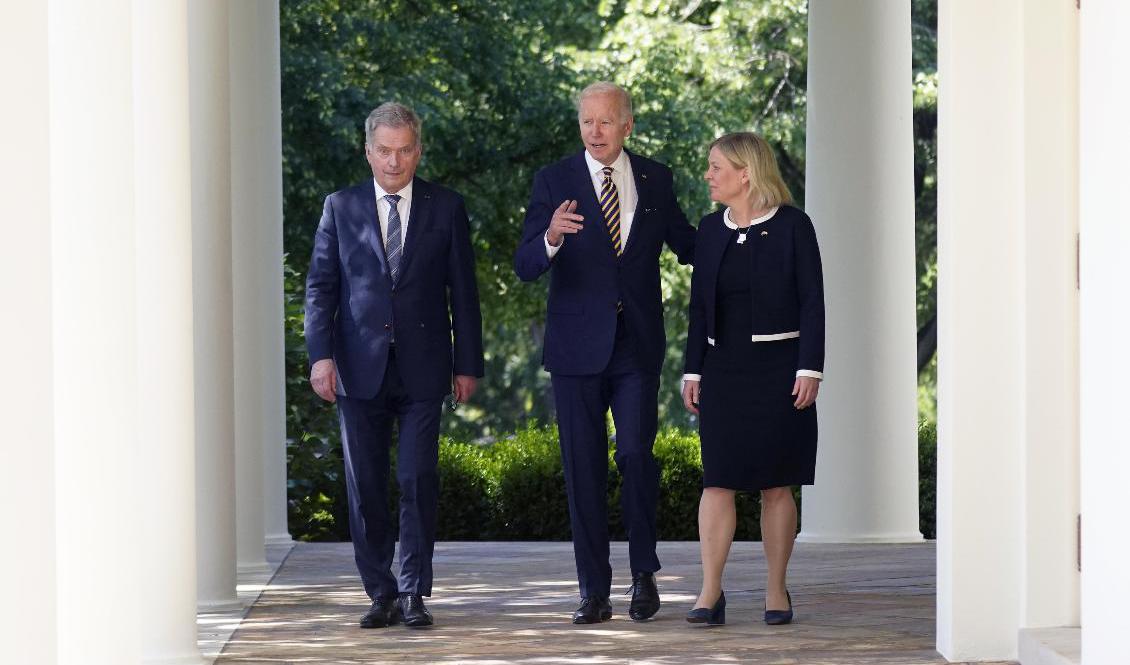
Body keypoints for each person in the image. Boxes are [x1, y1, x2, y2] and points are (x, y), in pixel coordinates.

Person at [514, 81, 696, 624]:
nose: (595, 131)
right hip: (575, 351)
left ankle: (644, 576)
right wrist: (549, 235)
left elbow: (687, 243)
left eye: (606, 121)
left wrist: (746, 228)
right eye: (587, 121)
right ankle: (594, 590)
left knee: (637, 455)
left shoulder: (656, 178)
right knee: (583, 468)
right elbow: (526, 265)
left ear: (628, 125)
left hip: (636, 346)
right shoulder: (554, 181)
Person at [304, 102, 484, 629]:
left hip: (426, 367)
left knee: (417, 476)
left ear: (418, 150)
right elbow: (320, 289)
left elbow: (464, 295)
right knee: (367, 486)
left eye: (404, 150)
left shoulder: (446, 207)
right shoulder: (340, 207)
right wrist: (321, 356)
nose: (394, 161)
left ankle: (413, 591)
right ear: (368, 151)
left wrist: (467, 363)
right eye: (384, 150)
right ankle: (379, 591)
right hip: (358, 368)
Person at [681, 132, 824, 627]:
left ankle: (775, 590)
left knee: (775, 485)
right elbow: (699, 309)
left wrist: (810, 368)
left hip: (781, 372)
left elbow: (812, 300)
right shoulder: (708, 230)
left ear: (746, 173)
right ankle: (710, 592)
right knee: (716, 481)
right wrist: (692, 368)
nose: (708, 175)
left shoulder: (793, 227)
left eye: (716, 166)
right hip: (723, 372)